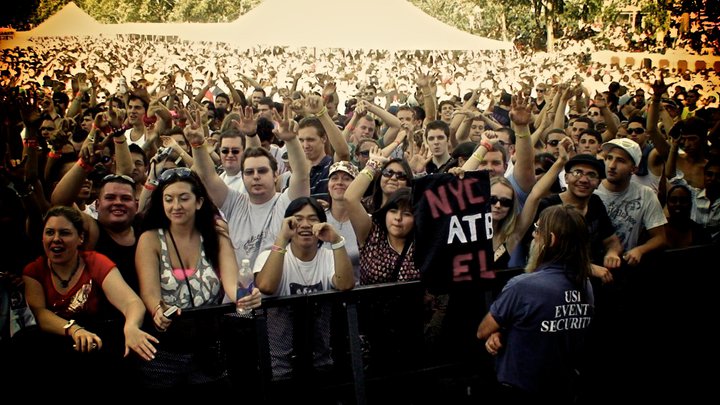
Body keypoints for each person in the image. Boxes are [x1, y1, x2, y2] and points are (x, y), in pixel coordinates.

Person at [135, 167, 262, 388]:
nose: (176, 206)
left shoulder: (216, 237)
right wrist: (158, 310)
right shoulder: (150, 239)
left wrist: (245, 296)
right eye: (169, 199)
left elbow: (232, 284)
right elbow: (150, 292)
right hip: (164, 351)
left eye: (184, 198)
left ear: (199, 202)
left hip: (209, 349)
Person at [23, 206, 158, 388]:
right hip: (56, 343)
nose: (56, 239)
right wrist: (74, 330)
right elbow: (40, 314)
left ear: (80, 238)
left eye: (64, 233)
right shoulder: (34, 270)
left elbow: (132, 302)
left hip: (96, 343)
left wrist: (132, 326)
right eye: (49, 232)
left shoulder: (96, 261)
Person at [477, 205, 594, 403]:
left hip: (521, 392)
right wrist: (501, 331)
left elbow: (482, 330)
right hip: (563, 389)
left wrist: (496, 329)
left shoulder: (522, 286)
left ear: (551, 240)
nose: (533, 235)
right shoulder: (585, 284)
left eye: (537, 229)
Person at [254, 197, 354, 378]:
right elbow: (267, 286)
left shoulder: (330, 256)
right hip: (278, 369)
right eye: (298, 219)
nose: (305, 224)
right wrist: (282, 238)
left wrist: (337, 241)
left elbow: (345, 283)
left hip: (322, 364)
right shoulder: (268, 256)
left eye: (313, 219)